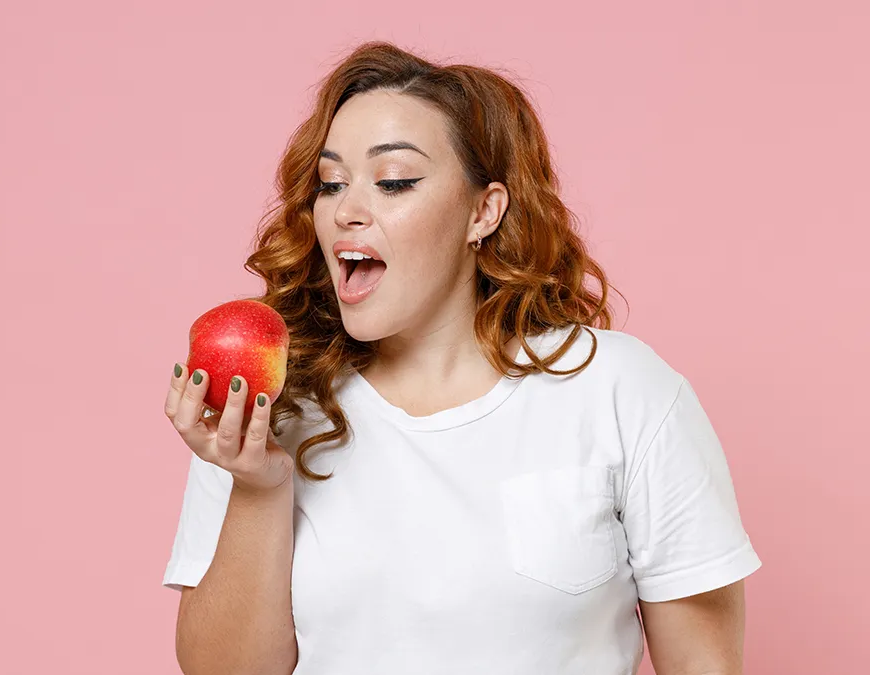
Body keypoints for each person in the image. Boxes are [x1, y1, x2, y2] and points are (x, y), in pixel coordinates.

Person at [160, 41, 761, 675]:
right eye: (331, 184)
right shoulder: (268, 413)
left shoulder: (619, 390)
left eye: (393, 182)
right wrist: (259, 489)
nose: (347, 211)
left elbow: (704, 664)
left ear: (483, 211)